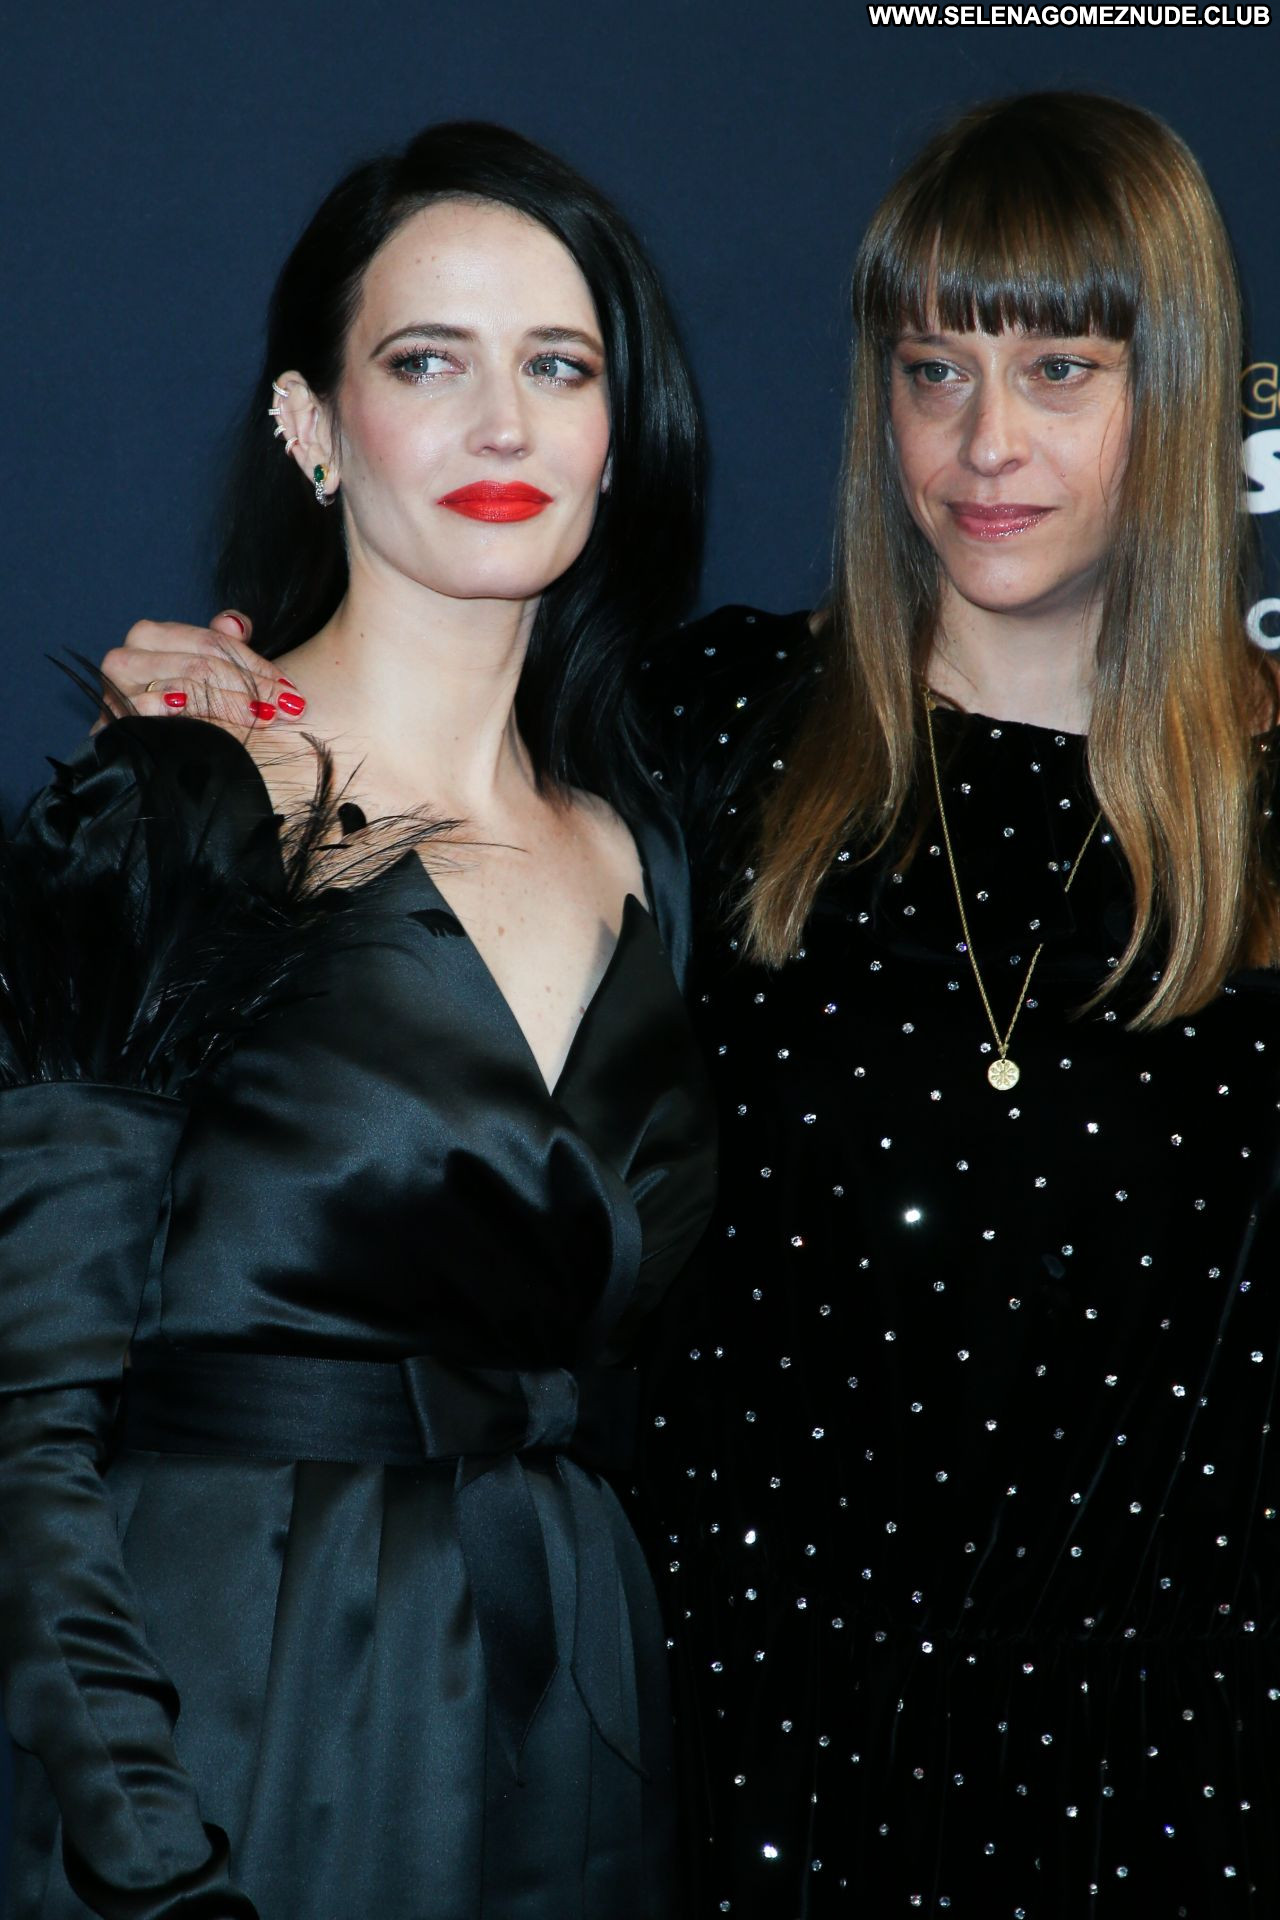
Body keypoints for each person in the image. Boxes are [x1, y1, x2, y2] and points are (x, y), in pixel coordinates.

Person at [94, 90, 1280, 1916]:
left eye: (1061, 370)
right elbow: (421, 771)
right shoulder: (717, 734)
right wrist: (214, 711)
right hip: (719, 1748)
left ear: (1183, 392)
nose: (987, 442)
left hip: (1149, 1777)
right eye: (934, 370)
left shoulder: (1267, 822)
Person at [0, 121, 715, 1920]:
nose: (503, 427)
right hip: (252, 1718)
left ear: (619, 429)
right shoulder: (171, 808)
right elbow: (24, 1422)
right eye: (426, 363)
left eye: (559, 367)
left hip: (582, 1731)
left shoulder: (653, 849)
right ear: (311, 424)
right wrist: (146, 1855)